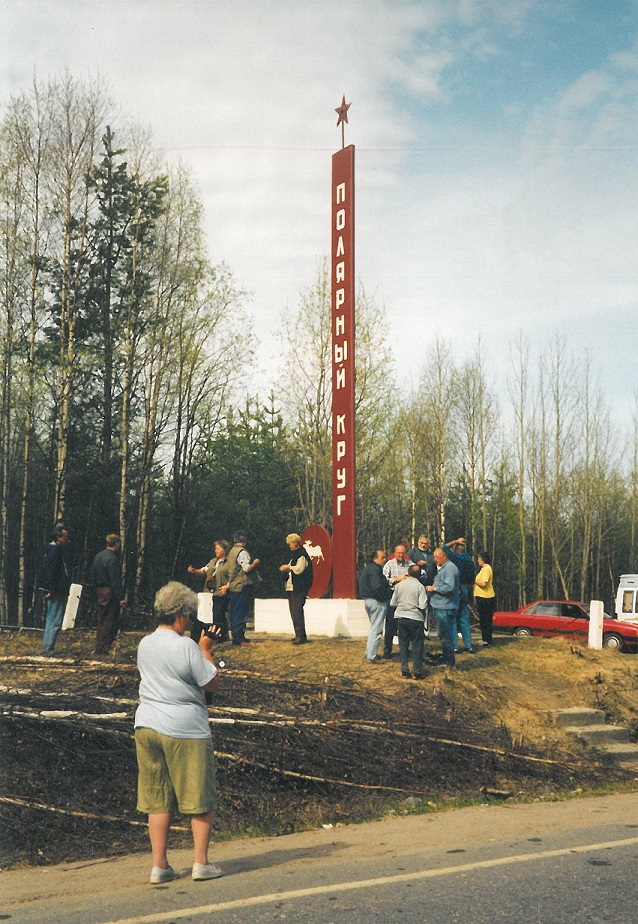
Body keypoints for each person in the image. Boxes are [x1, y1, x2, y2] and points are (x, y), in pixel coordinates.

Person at [134, 581, 224, 884]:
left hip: (147, 723)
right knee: (198, 793)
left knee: (157, 795)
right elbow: (210, 682)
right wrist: (205, 648)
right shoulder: (186, 645)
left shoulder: (145, 643)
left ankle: (159, 865)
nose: (189, 621)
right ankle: (201, 862)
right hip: (184, 726)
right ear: (179, 616)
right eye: (189, 616)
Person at [221, 532, 261, 646]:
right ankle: (239, 638)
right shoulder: (242, 552)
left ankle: (237, 636)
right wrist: (255, 563)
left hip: (234, 585)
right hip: (242, 585)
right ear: (244, 541)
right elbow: (246, 569)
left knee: (235, 611)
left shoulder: (231, 552)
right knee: (241, 612)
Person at [187, 540, 231, 643]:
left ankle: (222, 636)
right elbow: (204, 570)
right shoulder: (212, 561)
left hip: (221, 593)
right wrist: (194, 570)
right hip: (209, 593)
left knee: (218, 614)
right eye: (215, 549)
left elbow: (234, 577)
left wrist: (227, 586)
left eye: (218, 549)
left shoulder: (230, 563)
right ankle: (215, 635)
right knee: (209, 615)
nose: (215, 551)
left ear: (224, 550)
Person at [38, 525, 71, 655]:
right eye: (65, 536)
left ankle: (47, 646)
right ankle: (48, 648)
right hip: (56, 590)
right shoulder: (55, 550)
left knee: (51, 617)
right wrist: (50, 588)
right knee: (55, 618)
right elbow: (50, 571)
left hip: (53, 588)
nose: (67, 539)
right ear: (58, 537)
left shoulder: (50, 549)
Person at [391, 564, 428, 679]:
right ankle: (417, 671)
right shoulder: (420, 586)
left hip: (402, 617)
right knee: (417, 645)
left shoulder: (399, 585)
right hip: (415, 618)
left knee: (403, 644)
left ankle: (404, 669)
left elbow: (392, 603)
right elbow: (423, 605)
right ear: (419, 575)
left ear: (408, 572)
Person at [91, 534, 125, 656]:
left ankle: (98, 647)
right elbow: (115, 580)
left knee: (101, 619)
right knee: (110, 621)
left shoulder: (98, 557)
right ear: (115, 544)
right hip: (110, 592)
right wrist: (121, 596)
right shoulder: (113, 559)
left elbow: (93, 576)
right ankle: (104, 648)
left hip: (100, 591)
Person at [426, 547, 460, 668]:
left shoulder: (449, 569)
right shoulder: (445, 568)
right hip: (442, 606)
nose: (435, 559)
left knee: (446, 636)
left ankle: (449, 663)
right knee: (444, 635)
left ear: (444, 556)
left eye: (437, 557)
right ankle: (446, 659)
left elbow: (449, 587)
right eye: (434, 557)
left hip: (445, 607)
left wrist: (434, 588)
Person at [443, 537, 476, 654]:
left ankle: (454, 646)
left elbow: (443, 548)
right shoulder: (470, 561)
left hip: (454, 588)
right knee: (464, 619)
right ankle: (468, 645)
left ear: (456, 549)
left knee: (452, 618)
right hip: (464, 588)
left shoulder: (456, 558)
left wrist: (454, 541)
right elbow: (472, 579)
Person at [279, 533, 313, 645]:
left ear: (295, 544)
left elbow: (299, 569)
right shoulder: (294, 555)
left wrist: (288, 567)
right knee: (294, 612)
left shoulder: (301, 555)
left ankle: (301, 636)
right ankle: (298, 634)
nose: (289, 546)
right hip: (292, 588)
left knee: (297, 611)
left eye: (290, 544)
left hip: (299, 588)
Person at [359, 549, 391, 662]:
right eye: (382, 558)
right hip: (376, 601)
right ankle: (371, 656)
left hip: (368, 600)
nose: (384, 560)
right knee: (376, 629)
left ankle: (369, 652)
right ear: (375, 559)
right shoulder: (375, 570)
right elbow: (377, 586)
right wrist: (387, 593)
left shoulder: (369, 568)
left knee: (374, 628)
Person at [382, 543, 412, 659]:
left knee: (405, 626)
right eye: (399, 553)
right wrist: (396, 579)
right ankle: (387, 651)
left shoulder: (409, 564)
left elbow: (420, 573)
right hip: (393, 596)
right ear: (395, 553)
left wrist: (413, 574)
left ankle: (405, 651)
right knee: (390, 625)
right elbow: (384, 579)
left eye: (403, 553)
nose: (401, 555)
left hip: (406, 598)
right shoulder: (389, 565)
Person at [408, 534, 436, 633]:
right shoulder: (412, 552)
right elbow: (406, 566)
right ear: (418, 542)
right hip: (415, 584)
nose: (424, 545)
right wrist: (416, 565)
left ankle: (425, 630)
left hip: (427, 585)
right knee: (415, 607)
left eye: (426, 543)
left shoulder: (431, 555)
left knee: (426, 607)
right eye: (422, 543)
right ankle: (414, 630)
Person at [474, 551, 496, 646]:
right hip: (482, 597)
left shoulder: (487, 569)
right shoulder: (483, 569)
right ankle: (484, 638)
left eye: (479, 559)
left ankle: (487, 640)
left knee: (486, 619)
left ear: (483, 559)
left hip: (486, 597)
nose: (478, 560)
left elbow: (484, 583)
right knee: (483, 619)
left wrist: (473, 579)